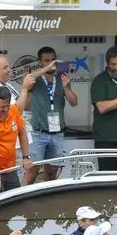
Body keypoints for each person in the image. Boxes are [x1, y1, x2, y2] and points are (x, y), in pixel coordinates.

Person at [24, 47, 79, 184]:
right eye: (46, 61)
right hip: (38, 132)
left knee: (51, 171)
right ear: (40, 62)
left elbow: (74, 102)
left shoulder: (61, 78)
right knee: (33, 170)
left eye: (52, 60)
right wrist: (47, 67)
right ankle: (22, 198)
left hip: (57, 133)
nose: (51, 64)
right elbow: (28, 78)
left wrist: (67, 86)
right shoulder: (35, 78)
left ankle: (44, 199)